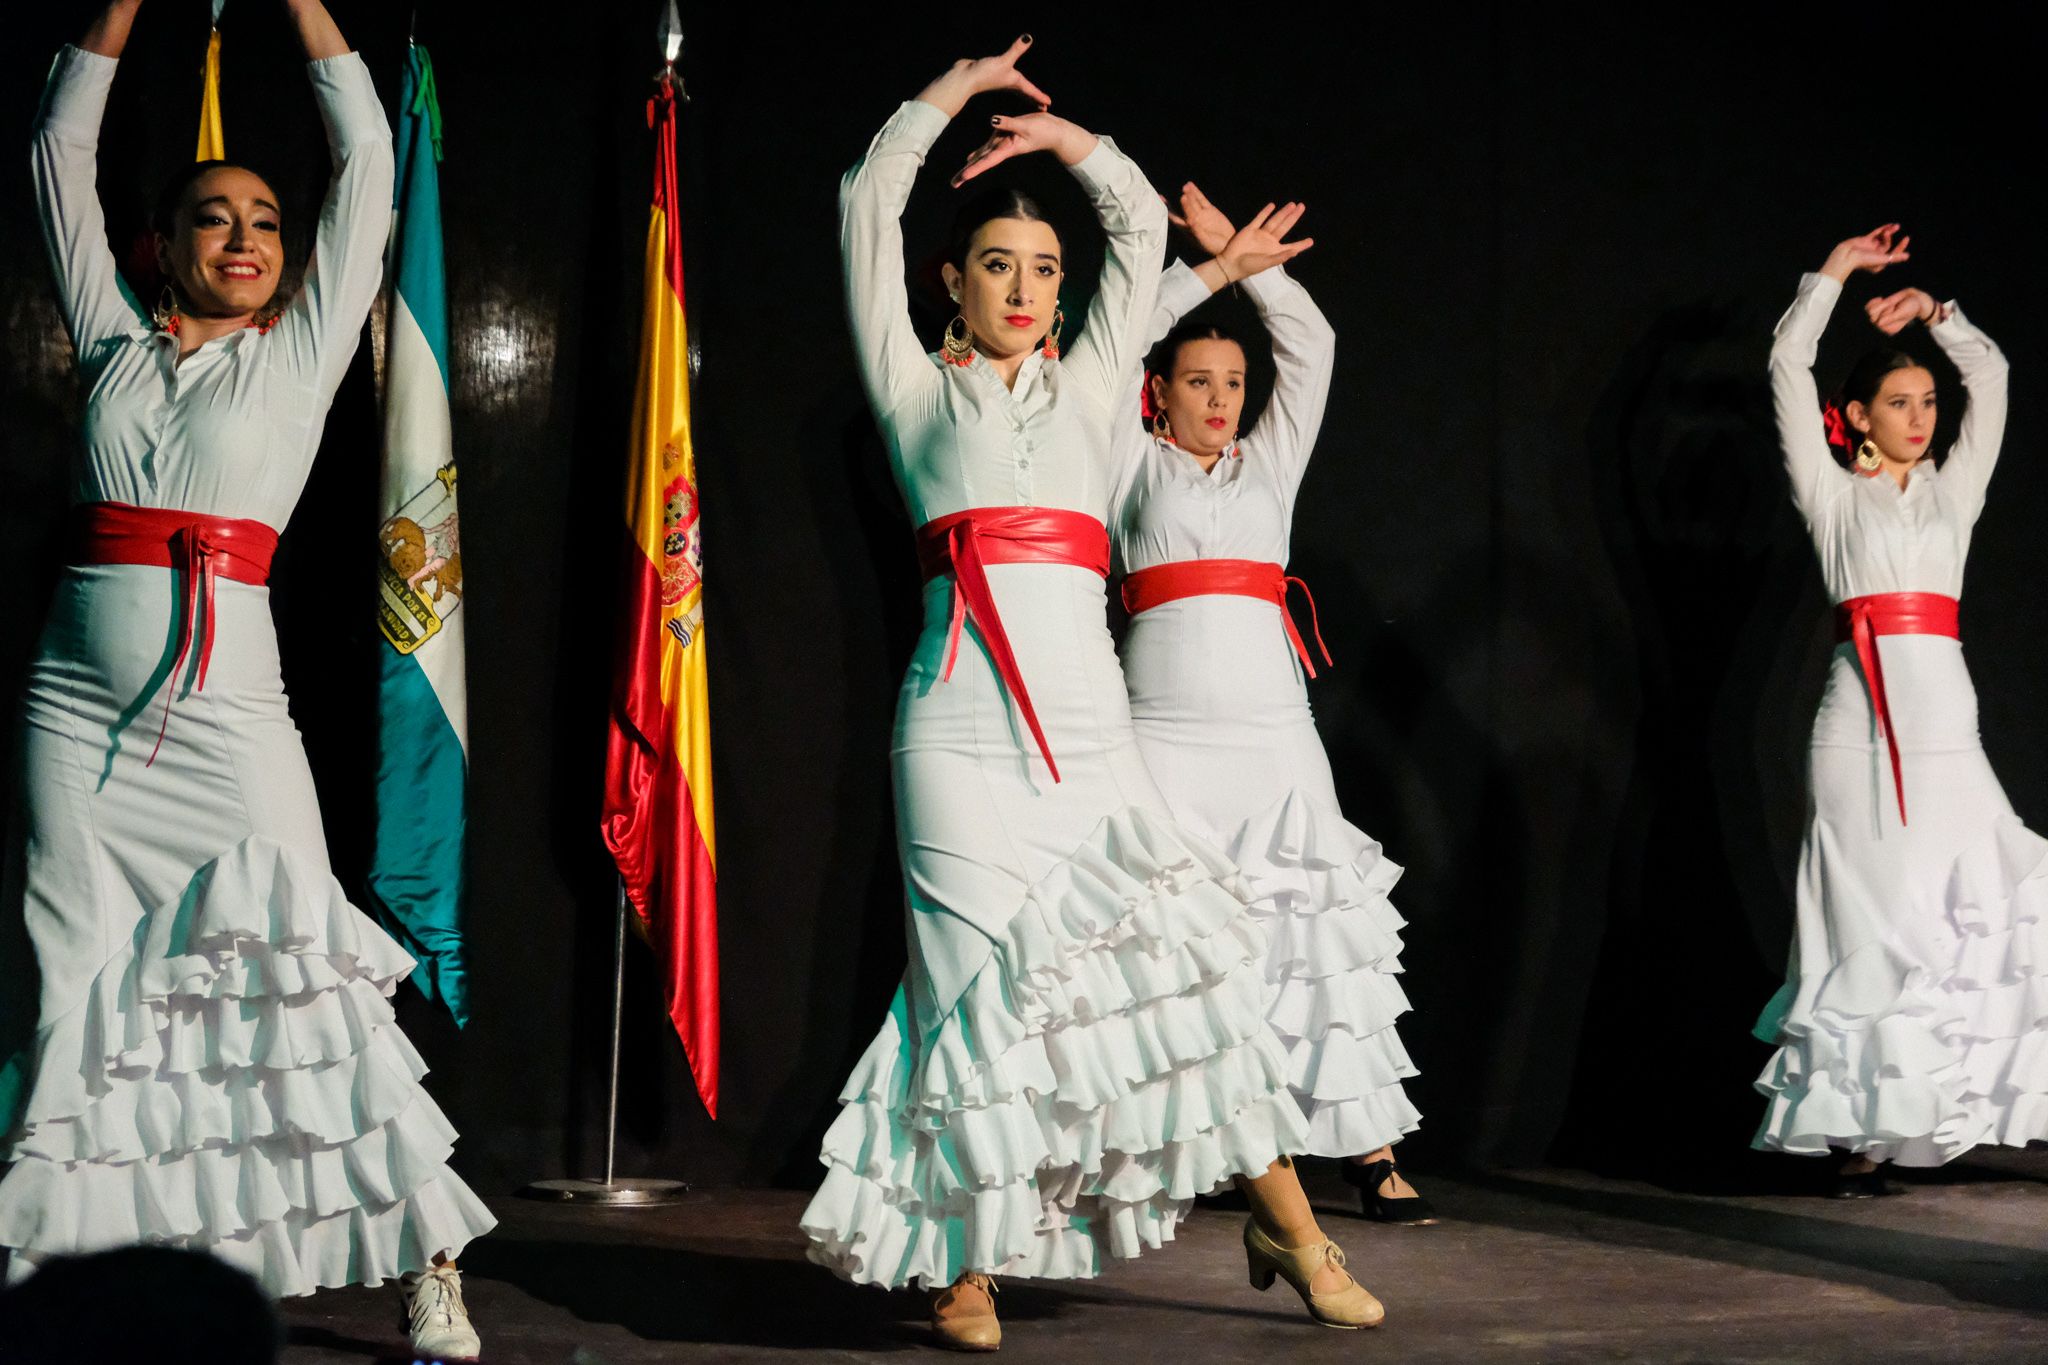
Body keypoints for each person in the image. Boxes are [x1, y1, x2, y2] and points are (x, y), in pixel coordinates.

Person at [799, 37, 1383, 1349]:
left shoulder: (1105, 397)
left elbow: (1130, 216)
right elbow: (861, 201)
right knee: (964, 992)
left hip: (1087, 727)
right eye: (997, 262)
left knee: (1174, 977)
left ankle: (1289, 1221)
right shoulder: (910, 389)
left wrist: (1063, 144)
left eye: (1043, 266)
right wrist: (948, 93)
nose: (1023, 284)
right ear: (952, 279)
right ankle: (966, 1257)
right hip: (952, 729)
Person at [0, 3, 493, 1357]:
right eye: (216, 217)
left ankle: (426, 1260)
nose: (245, 238)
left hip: (231, 711)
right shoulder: (110, 338)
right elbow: (57, 147)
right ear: (166, 244)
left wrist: (306, 15)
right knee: (74, 982)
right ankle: (57, 1270)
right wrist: (115, 16)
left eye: (267, 222)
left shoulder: (304, 345)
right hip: (75, 715)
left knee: (309, 977)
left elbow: (370, 171)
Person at [1111, 186, 1432, 1223]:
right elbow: (1112, 345)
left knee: (1311, 924)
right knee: (1167, 932)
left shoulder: (1271, 463)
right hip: (1159, 731)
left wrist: (1253, 271)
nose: (1218, 399)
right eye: (1196, 381)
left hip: (1270, 730)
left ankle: (1367, 1148)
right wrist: (1198, 276)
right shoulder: (1119, 455)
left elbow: (1315, 341)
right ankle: (1179, 1147)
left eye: (1233, 382)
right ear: (1157, 392)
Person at [1752, 224, 2048, 1194]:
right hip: (1855, 726)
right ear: (1858, 416)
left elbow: (1993, 379)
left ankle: (1962, 1105)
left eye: (1926, 402)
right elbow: (1785, 361)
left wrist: (1939, 317)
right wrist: (1831, 277)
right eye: (1897, 402)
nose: (1919, 417)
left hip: (1943, 726)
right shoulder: (1831, 497)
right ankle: (1860, 1132)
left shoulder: (1952, 495)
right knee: (1866, 916)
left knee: (1972, 908)